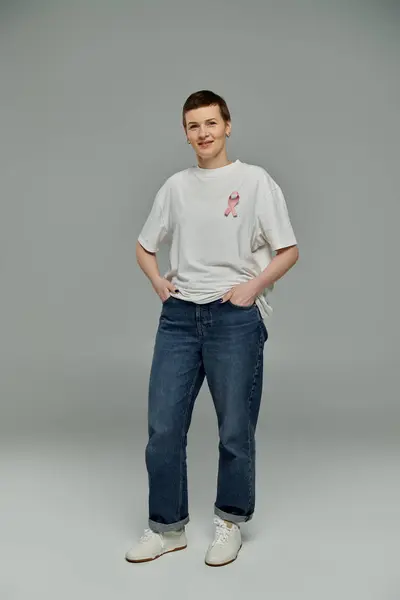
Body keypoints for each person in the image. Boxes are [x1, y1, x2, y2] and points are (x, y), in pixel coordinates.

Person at [125, 90, 299, 567]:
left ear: (227, 126)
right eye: (192, 126)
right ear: (185, 134)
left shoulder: (255, 181)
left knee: (235, 430)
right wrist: (160, 282)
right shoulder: (176, 187)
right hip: (179, 318)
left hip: (234, 319)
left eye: (210, 123)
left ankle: (230, 521)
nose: (202, 133)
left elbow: (288, 249)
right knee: (163, 428)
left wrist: (251, 289)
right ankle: (167, 528)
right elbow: (144, 246)